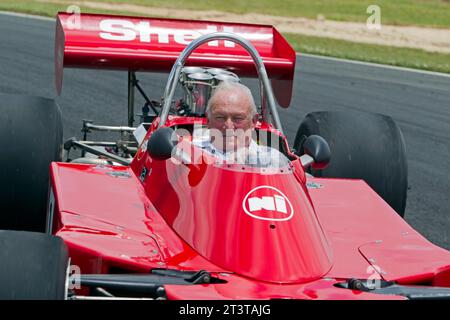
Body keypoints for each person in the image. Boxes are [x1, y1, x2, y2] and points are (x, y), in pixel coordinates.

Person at [192, 81, 289, 168]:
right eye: (220, 117)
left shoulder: (275, 162)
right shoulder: (188, 154)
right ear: (208, 120)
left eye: (238, 118)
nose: (228, 126)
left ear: (253, 121)